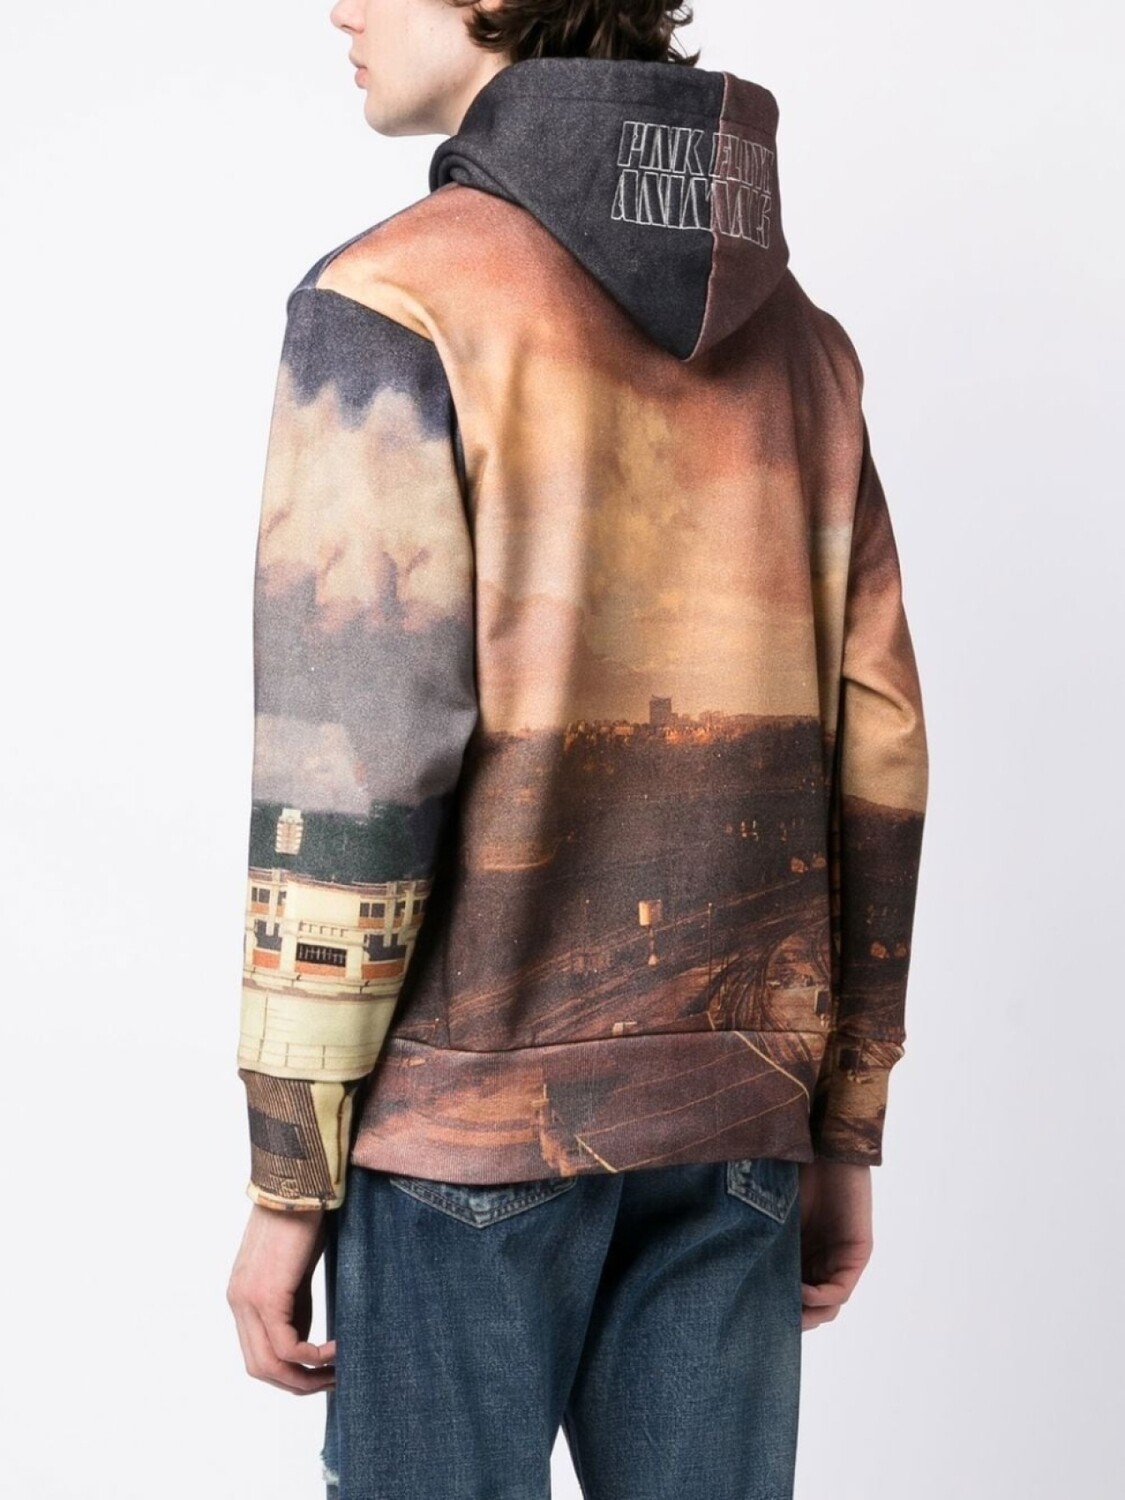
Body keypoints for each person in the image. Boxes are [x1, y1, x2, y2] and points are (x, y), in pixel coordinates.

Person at [226, 1, 930, 1495]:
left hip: (464, 1129)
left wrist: (290, 1173)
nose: (339, 7)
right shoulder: (805, 346)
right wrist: (843, 1123)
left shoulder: (396, 304)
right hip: (737, 1116)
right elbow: (877, 754)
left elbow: (354, 769)